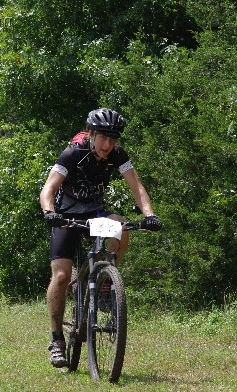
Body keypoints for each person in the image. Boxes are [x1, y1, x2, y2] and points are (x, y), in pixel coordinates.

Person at [39, 107, 162, 368]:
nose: (108, 144)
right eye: (103, 138)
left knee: (121, 224)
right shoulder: (74, 153)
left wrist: (150, 215)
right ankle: (56, 339)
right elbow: (48, 188)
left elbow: (136, 187)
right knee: (61, 276)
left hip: (94, 214)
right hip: (66, 216)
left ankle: (106, 282)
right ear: (91, 134)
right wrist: (50, 212)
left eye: (113, 139)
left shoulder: (117, 155)